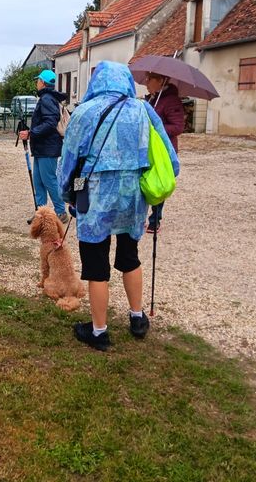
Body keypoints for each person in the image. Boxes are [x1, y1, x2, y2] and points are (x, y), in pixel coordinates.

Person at [59, 61, 179, 351]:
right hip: (132, 196)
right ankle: (137, 318)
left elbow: (70, 159)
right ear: (126, 81)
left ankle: (99, 331)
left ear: (97, 81)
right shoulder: (143, 110)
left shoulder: (84, 112)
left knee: (96, 264)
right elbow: (169, 157)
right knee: (130, 256)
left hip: (94, 197)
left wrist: (68, 194)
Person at [18, 69, 68, 224]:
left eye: (38, 80)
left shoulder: (46, 99)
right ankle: (41, 213)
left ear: (43, 83)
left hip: (47, 148)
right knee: (39, 181)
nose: (37, 83)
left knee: (49, 180)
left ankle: (61, 212)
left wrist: (31, 133)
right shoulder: (48, 98)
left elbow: (50, 122)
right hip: (42, 148)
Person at [144, 72, 185, 233]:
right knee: (146, 180)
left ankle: (155, 219)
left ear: (160, 80)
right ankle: (142, 217)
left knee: (159, 182)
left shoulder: (171, 101)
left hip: (163, 149)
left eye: (149, 79)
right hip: (149, 147)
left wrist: (156, 128)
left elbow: (178, 127)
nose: (146, 82)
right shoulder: (153, 98)